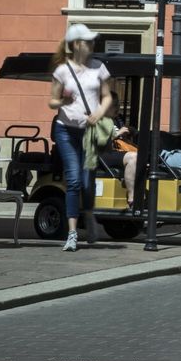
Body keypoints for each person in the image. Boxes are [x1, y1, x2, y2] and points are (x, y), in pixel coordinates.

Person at [46, 23, 112, 252]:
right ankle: (72, 233)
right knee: (73, 180)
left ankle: (90, 216)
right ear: (76, 44)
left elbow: (107, 98)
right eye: (88, 41)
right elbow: (52, 101)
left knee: (86, 181)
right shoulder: (62, 71)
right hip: (66, 130)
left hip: (90, 132)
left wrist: (99, 113)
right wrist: (63, 101)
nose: (92, 45)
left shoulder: (98, 68)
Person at [96, 99, 139, 210]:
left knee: (142, 156)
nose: (117, 108)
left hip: (114, 151)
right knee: (133, 158)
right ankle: (132, 198)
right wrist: (117, 134)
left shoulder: (116, 120)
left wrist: (129, 131)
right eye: (114, 105)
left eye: (118, 105)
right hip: (101, 154)